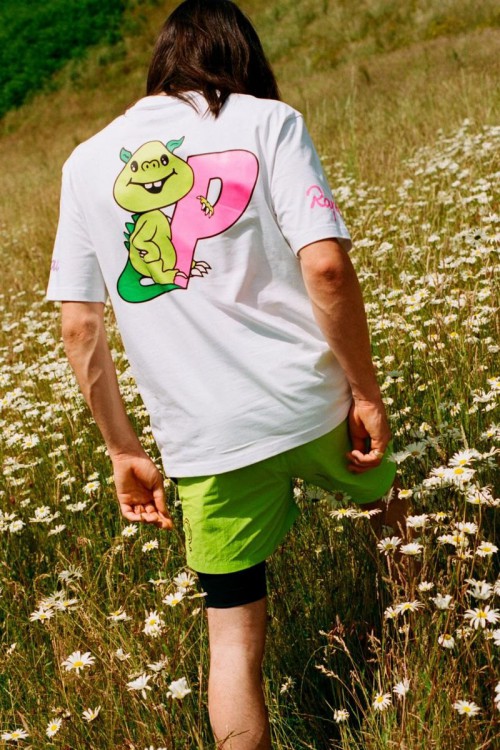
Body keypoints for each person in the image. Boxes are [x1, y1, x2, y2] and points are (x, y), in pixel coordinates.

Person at [47, 1, 406, 747]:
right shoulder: (268, 122)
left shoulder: (85, 164)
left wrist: (122, 449)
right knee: (400, 532)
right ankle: (424, 652)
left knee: (232, 642)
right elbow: (326, 267)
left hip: (206, 439)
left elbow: (79, 326)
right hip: (314, 405)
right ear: (242, 54)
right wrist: (365, 392)